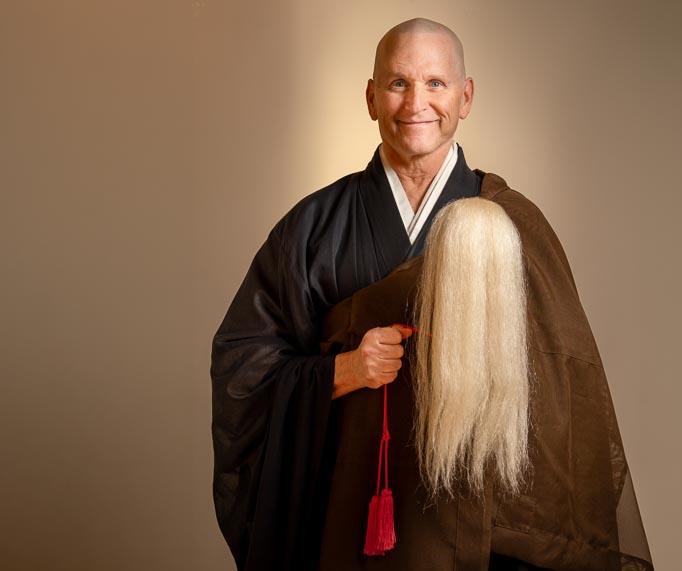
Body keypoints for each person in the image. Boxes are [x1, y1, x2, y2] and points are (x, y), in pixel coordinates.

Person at [211, 18, 652, 571]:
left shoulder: (514, 225)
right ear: (371, 97)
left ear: (465, 97)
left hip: (483, 525)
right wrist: (347, 370)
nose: (416, 102)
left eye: (436, 84)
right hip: (354, 517)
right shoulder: (312, 228)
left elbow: (566, 389)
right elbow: (243, 372)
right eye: (397, 83)